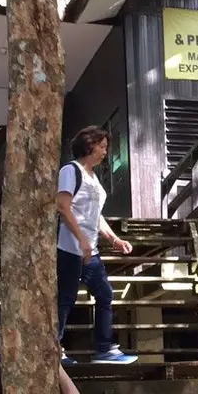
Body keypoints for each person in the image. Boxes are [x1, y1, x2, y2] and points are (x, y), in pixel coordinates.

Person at [57, 125, 137, 365]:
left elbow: (95, 215)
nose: (105, 152)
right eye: (102, 147)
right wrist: (81, 240)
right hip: (69, 247)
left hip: (89, 249)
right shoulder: (70, 170)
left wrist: (114, 239)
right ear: (89, 145)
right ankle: (54, 351)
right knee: (65, 299)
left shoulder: (93, 177)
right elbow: (62, 206)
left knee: (104, 294)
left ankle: (105, 349)